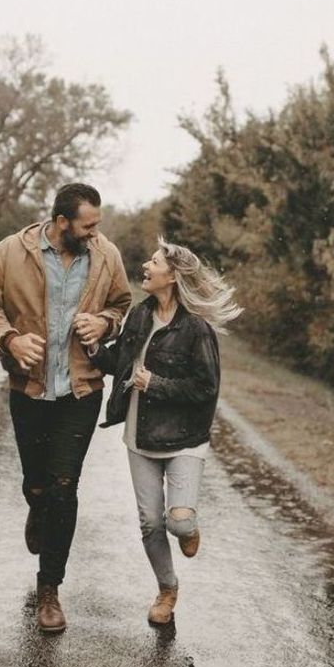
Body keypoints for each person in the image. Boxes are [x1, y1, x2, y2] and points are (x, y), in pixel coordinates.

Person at [0, 183, 131, 633]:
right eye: (88, 224)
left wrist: (105, 321)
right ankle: (35, 505)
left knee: (64, 487)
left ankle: (49, 590)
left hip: (81, 391)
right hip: (30, 391)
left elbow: (122, 303)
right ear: (62, 223)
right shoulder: (8, 253)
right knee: (37, 485)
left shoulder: (106, 255)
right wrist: (9, 339)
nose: (96, 233)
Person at [88, 238, 241, 625]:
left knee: (179, 522)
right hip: (140, 438)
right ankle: (167, 589)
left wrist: (155, 383)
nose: (146, 266)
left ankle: (188, 528)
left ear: (171, 275)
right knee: (151, 522)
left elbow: (205, 388)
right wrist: (93, 347)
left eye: (153, 262)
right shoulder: (139, 316)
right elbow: (120, 364)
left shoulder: (196, 330)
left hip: (185, 440)